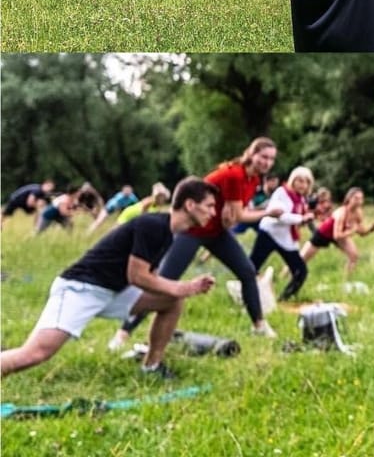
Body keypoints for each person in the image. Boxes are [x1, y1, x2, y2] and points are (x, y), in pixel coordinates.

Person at [2, 178, 219, 379]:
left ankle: (151, 366)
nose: (213, 212)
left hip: (112, 291)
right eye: (209, 205)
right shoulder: (153, 225)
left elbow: (148, 276)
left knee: (171, 301)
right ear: (190, 205)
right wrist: (182, 287)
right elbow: (137, 276)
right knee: (35, 353)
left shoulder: (167, 233)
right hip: (81, 289)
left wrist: (177, 290)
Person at [109, 138, 281, 350]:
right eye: (263, 156)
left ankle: (259, 325)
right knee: (165, 280)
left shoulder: (253, 179)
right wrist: (269, 213)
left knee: (247, 271)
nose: (267, 162)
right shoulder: (235, 174)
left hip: (216, 232)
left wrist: (231, 217)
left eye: (271, 159)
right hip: (192, 229)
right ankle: (123, 333)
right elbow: (238, 216)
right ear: (252, 154)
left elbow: (230, 217)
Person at [251, 166, 316, 301]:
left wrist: (307, 221)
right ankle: (247, 296)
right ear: (293, 180)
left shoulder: (302, 200)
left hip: (286, 239)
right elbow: (280, 215)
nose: (302, 185)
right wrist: (301, 219)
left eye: (306, 182)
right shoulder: (282, 193)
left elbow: (301, 219)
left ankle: (284, 299)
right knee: (251, 267)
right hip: (269, 234)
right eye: (299, 181)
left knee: (300, 271)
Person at [301, 187, 374, 281]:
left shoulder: (358, 213)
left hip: (341, 234)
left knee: (354, 256)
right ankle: (283, 277)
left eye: (361, 198)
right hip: (324, 234)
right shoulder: (341, 213)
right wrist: (352, 231)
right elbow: (337, 235)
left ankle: (347, 281)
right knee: (302, 259)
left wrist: (372, 228)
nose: (359, 201)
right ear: (349, 198)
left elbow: (362, 233)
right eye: (356, 198)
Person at [35, 184, 102, 234]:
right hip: (47, 215)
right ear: (74, 193)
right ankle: (30, 240)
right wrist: (76, 213)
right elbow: (63, 212)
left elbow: (79, 206)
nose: (80, 193)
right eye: (78, 192)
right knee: (39, 232)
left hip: (58, 215)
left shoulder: (73, 199)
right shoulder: (65, 200)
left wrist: (89, 211)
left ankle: (71, 239)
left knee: (69, 225)